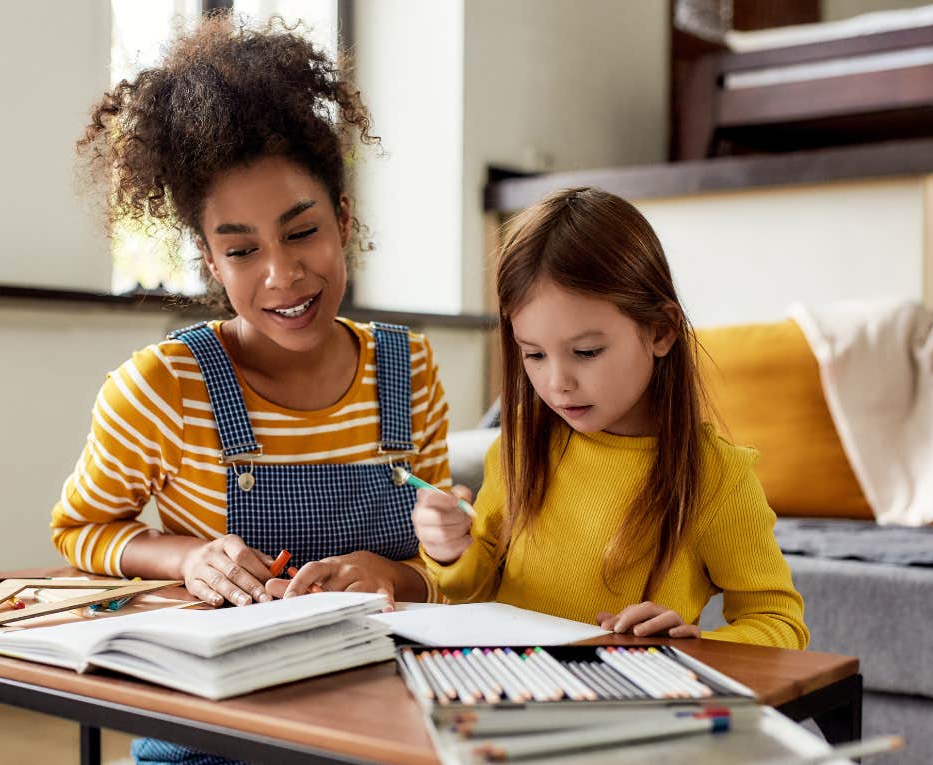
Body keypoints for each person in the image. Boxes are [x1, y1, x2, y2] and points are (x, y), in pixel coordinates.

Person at [54, 16, 455, 762]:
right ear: (211, 261)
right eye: (243, 249)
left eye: (302, 233)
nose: (283, 275)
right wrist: (187, 558)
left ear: (342, 219)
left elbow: (450, 564)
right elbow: (79, 531)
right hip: (216, 728)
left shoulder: (410, 371)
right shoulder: (161, 387)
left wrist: (394, 572)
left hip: (384, 708)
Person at [411, 187, 808, 649]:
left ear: (660, 331)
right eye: (534, 354)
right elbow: (474, 593)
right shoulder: (518, 448)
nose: (557, 382)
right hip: (509, 691)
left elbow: (780, 623)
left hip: (627, 709)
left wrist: (693, 644)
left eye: (586, 352)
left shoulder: (716, 477)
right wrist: (451, 550)